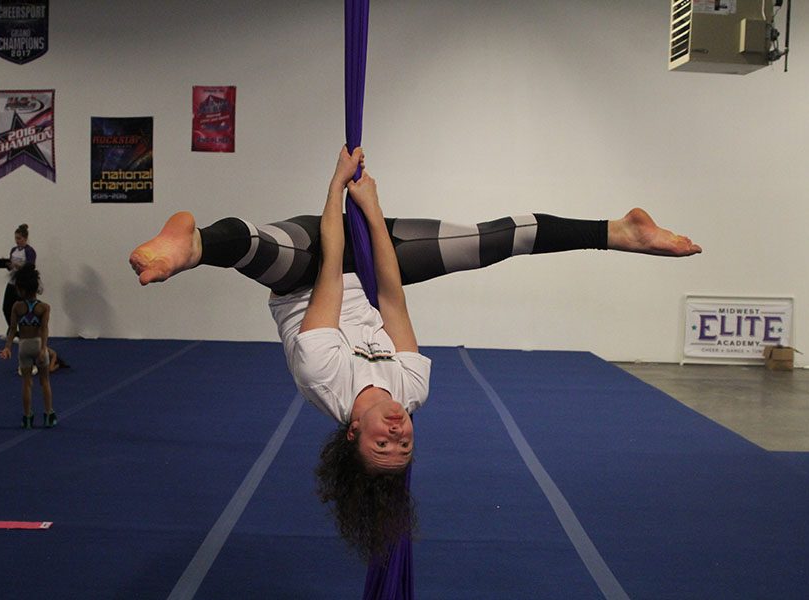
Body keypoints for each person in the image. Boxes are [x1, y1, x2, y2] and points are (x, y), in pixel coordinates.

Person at [129, 146, 701, 559]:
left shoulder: (322, 376)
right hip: (374, 275)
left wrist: (337, 188)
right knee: (498, 239)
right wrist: (373, 210)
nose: (398, 431)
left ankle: (192, 243)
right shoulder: (413, 391)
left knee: (257, 245)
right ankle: (621, 231)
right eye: (404, 444)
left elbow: (331, 268)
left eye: (384, 442)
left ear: (352, 435)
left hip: (308, 273)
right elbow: (393, 300)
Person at [0, 263, 56, 429]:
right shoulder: (44, 307)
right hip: (38, 345)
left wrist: (8, 347)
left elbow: (12, 329)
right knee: (44, 381)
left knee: (26, 383)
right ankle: (48, 414)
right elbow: (44, 329)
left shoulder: (17, 307)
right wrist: (44, 348)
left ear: (21, 289)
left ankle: (28, 417)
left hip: (24, 346)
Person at [2, 224, 36, 339]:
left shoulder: (29, 251)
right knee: (6, 307)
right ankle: (12, 331)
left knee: (21, 309)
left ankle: (23, 333)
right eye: (16, 238)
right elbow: (12, 267)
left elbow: (31, 267)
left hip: (22, 284)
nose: (17, 241)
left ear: (25, 239)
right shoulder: (13, 250)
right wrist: (8, 265)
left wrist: (18, 265)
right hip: (12, 282)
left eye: (19, 238)